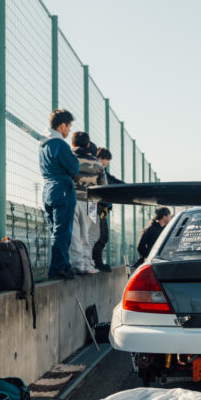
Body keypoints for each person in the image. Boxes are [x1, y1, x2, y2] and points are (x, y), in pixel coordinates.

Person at [39, 109, 81, 279]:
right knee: (63, 231)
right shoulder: (60, 144)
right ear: (62, 125)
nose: (69, 130)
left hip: (48, 189)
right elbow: (74, 168)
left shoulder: (43, 144)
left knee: (54, 230)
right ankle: (59, 268)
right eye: (69, 126)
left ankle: (60, 266)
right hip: (63, 188)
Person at [69, 132, 106, 275]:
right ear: (89, 145)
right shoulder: (97, 163)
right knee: (88, 235)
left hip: (73, 200)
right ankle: (88, 264)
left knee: (75, 234)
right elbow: (103, 185)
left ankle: (78, 265)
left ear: (73, 144)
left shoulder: (70, 159)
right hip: (91, 203)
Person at [91, 147, 123, 272]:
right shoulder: (95, 169)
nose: (106, 162)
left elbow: (113, 180)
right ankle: (95, 262)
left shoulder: (104, 171)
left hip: (102, 206)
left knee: (103, 236)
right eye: (105, 159)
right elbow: (109, 182)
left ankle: (97, 261)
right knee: (97, 235)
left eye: (108, 160)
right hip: (93, 206)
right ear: (99, 158)